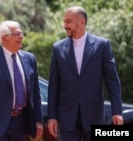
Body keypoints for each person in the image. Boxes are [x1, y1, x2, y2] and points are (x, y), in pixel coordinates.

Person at [47, 6, 123, 141]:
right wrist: (52, 116)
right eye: (64, 21)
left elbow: (112, 81)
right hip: (67, 117)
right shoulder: (57, 48)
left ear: (81, 22)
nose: (65, 25)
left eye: (69, 21)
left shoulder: (102, 45)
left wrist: (117, 111)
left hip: (94, 114)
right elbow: (54, 85)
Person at [0, 20, 43, 141]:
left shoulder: (30, 58)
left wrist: (38, 120)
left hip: (21, 123)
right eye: (17, 34)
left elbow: (35, 94)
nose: (21, 37)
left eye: (21, 33)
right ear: (4, 39)